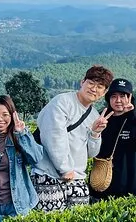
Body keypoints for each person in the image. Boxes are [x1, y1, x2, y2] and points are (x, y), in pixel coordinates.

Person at [31, 65, 114, 211]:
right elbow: (54, 137)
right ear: (82, 82)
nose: (94, 89)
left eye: (100, 86)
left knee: (78, 217)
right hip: (48, 175)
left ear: (104, 92)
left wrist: (95, 133)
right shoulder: (62, 102)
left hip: (77, 178)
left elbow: (91, 153)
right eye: (91, 83)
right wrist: (65, 169)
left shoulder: (94, 115)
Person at [0, 95, 44, 221]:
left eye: (5, 114)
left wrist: (22, 133)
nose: (0, 119)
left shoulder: (18, 137)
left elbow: (36, 158)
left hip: (18, 206)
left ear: (12, 115)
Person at [89, 78, 136, 200]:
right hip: (102, 184)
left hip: (130, 186)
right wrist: (96, 131)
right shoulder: (101, 118)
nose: (118, 100)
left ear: (130, 98)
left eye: (123, 96)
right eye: (114, 96)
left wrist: (131, 115)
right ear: (108, 98)